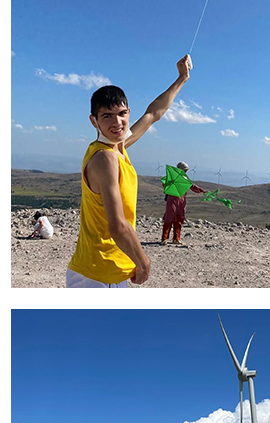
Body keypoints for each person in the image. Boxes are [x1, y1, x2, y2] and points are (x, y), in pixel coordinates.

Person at [66, 55, 192, 288]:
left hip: (112, 271)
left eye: (122, 114)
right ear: (94, 121)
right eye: (107, 116)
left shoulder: (118, 148)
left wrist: (181, 79)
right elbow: (118, 225)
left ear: (128, 112)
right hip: (95, 274)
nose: (118, 122)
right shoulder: (105, 158)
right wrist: (143, 262)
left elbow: (153, 113)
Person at [161, 161, 205, 245]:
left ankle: (176, 238)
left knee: (179, 219)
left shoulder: (185, 179)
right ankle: (164, 239)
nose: (185, 172)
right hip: (172, 200)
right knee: (169, 218)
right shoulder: (171, 178)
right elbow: (164, 183)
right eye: (184, 170)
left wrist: (201, 191)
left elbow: (192, 186)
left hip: (182, 202)